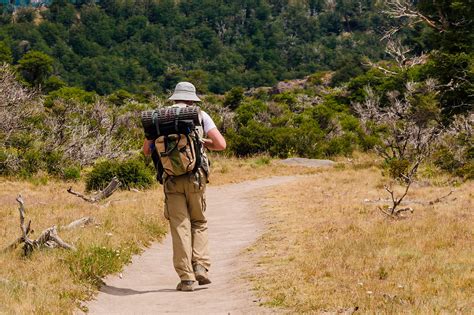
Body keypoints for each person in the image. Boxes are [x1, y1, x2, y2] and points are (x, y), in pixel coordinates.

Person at [143, 82, 226, 291]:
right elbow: (221, 145)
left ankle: (186, 278)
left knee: (179, 226)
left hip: (171, 179)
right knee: (198, 221)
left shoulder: (158, 118)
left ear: (174, 98)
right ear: (192, 99)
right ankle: (200, 266)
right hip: (195, 177)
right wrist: (200, 141)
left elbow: (146, 150)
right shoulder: (199, 115)